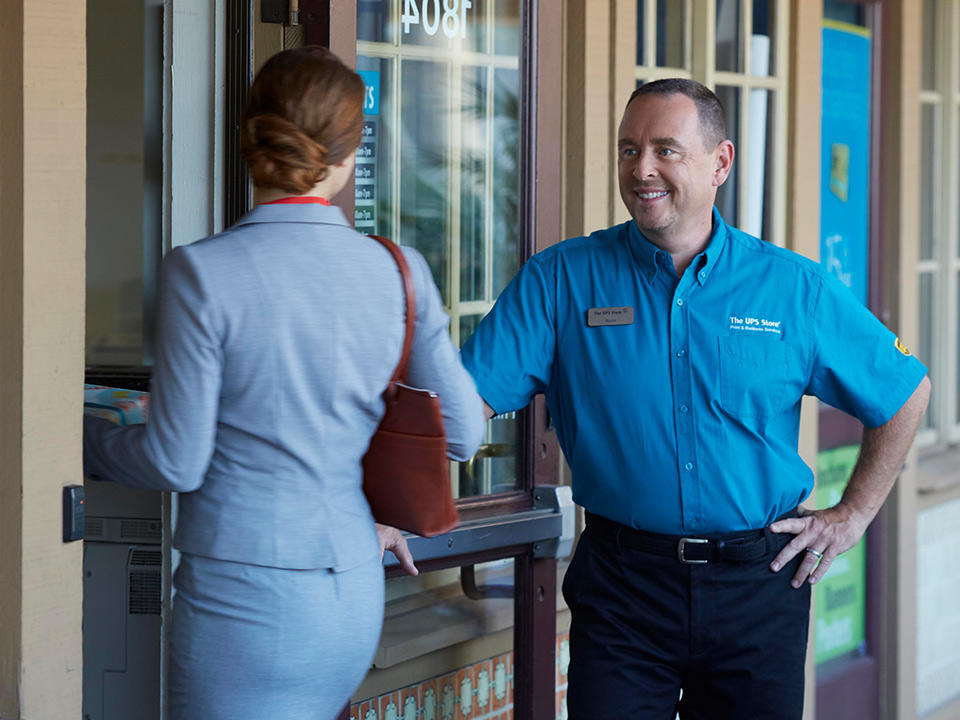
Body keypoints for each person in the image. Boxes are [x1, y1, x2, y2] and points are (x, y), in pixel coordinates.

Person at [460, 78, 930, 719]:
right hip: (623, 589)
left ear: (721, 163)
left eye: (664, 149)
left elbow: (904, 393)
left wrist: (852, 516)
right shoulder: (562, 280)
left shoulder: (792, 288)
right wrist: (386, 499)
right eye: (628, 150)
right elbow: (459, 407)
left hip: (760, 589)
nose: (641, 169)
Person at [83, 46, 485, 720]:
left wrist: (88, 440)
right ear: (351, 155)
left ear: (251, 135)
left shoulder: (201, 273)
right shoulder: (399, 269)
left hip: (242, 600)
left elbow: (175, 461)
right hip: (352, 594)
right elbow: (466, 431)